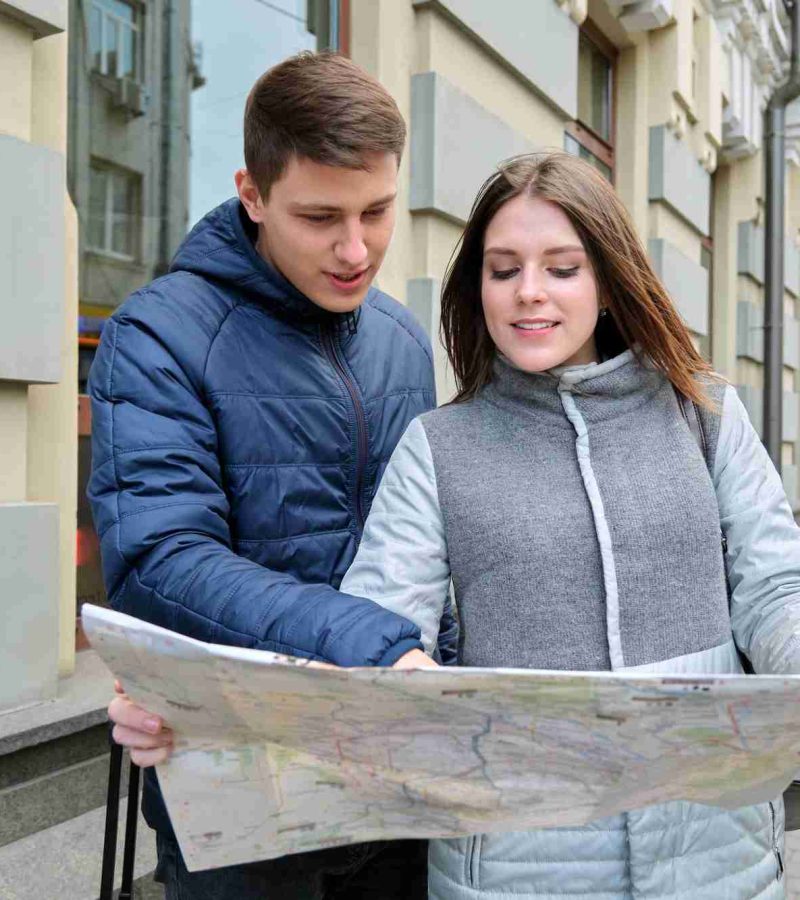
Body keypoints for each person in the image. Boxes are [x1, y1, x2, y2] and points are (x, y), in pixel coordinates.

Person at [111, 149, 800, 898]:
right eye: (503, 270)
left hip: (717, 859)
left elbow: (775, 591)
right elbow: (370, 667)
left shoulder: (705, 417)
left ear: (608, 280)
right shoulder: (439, 447)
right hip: (509, 871)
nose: (529, 293)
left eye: (561, 268)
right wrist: (202, 723)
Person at [90, 50, 452, 900]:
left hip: (393, 784)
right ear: (251, 194)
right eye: (321, 216)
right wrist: (372, 645)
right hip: (240, 795)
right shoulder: (157, 336)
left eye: (378, 210)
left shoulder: (402, 338)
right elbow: (162, 562)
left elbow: (429, 543)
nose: (356, 248)